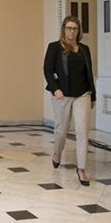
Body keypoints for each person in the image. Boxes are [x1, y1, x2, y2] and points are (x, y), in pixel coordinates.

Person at [43, 16, 95, 186]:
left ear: (78, 31)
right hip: (62, 94)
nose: (72, 31)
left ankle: (81, 169)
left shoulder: (84, 49)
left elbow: (89, 74)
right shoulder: (54, 48)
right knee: (62, 131)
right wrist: (55, 88)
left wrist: (92, 95)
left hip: (82, 95)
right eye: (69, 28)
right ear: (63, 29)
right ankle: (57, 154)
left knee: (82, 131)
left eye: (75, 28)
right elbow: (48, 71)